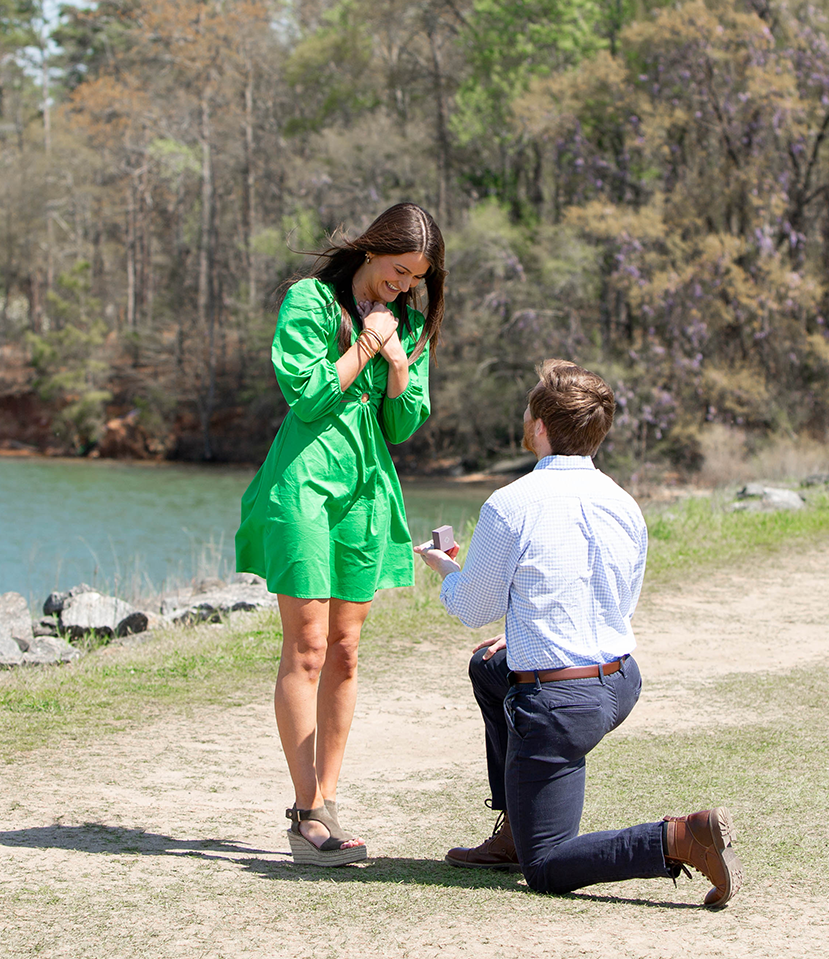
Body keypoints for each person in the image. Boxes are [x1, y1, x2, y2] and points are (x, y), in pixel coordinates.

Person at [414, 360, 740, 907]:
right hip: (619, 682)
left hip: (561, 701)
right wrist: (521, 637)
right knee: (489, 668)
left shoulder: (511, 504)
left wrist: (446, 569)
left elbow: (474, 607)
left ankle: (680, 837)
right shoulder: (623, 503)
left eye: (528, 406)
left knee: (546, 868)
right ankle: (516, 827)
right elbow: (618, 601)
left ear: (540, 425)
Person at [235, 202, 445, 867]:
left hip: (365, 492)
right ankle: (307, 814)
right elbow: (306, 395)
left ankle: (326, 801)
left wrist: (401, 365)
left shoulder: (409, 321)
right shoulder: (310, 301)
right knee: (306, 647)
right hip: (304, 487)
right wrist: (365, 343)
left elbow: (404, 424)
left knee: (347, 651)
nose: (405, 285)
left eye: (417, 276)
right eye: (397, 269)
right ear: (370, 250)